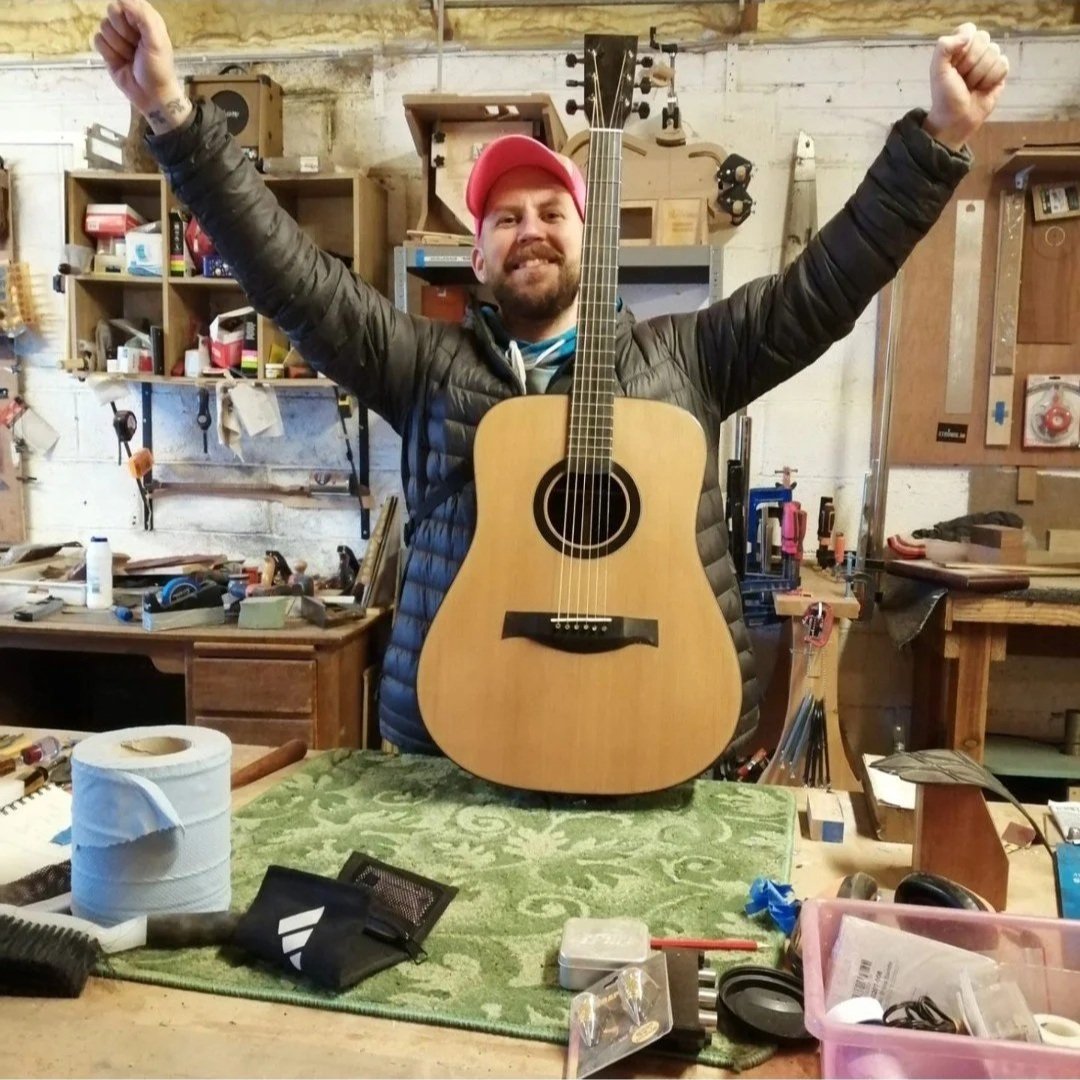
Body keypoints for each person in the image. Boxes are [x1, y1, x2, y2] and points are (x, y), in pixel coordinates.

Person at [95, 0, 1007, 759]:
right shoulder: (424, 368)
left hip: (657, 724)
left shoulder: (688, 360)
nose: (528, 227)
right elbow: (290, 275)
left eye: (549, 210)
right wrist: (176, 118)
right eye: (503, 216)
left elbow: (826, 286)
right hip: (455, 734)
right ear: (477, 254)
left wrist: (937, 142)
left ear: (589, 231)